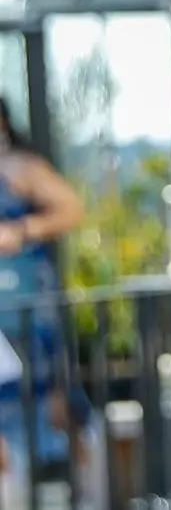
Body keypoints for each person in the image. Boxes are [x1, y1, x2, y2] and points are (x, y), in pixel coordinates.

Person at [0, 97, 94, 502]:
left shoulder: (19, 166)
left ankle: (91, 494)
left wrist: (21, 230)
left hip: (26, 308)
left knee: (53, 401)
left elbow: (72, 208)